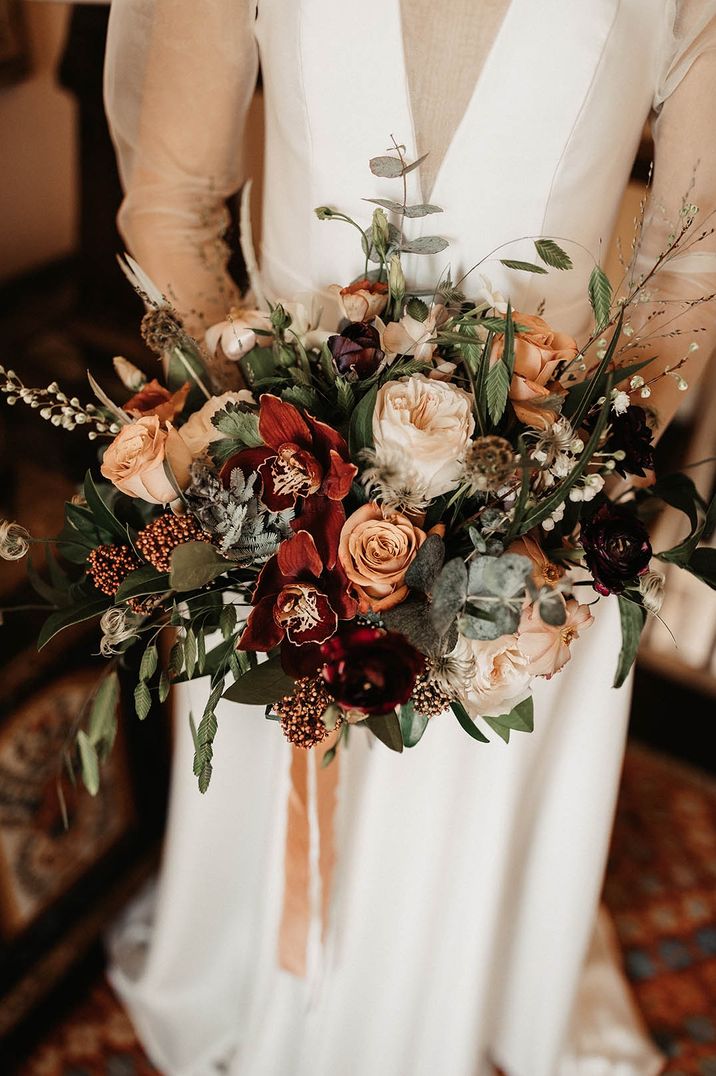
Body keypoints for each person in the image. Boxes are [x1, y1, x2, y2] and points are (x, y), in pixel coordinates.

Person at [103, 2, 716, 1073]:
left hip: (534, 518)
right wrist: (254, 437)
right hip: (279, 488)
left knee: (470, 783)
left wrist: (570, 476)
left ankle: (454, 1000)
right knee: (275, 742)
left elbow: (691, 262)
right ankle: (262, 975)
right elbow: (172, 202)